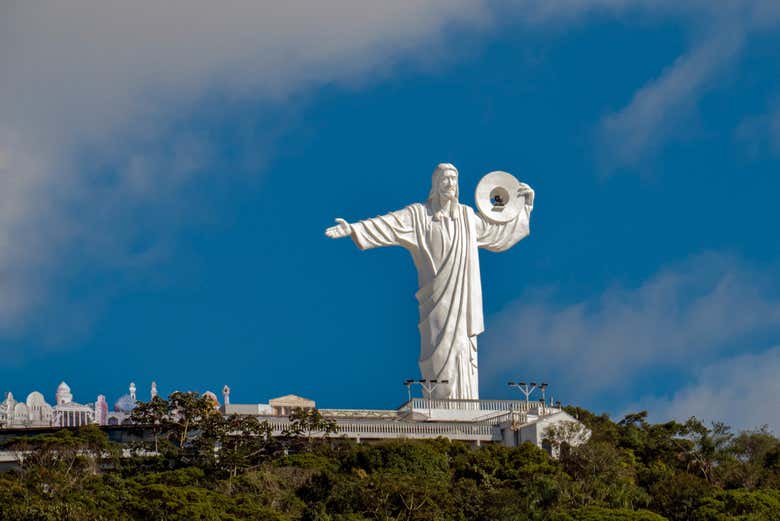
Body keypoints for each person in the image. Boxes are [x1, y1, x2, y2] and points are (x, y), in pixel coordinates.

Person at [326, 163, 534, 400]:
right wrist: (354, 228)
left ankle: (464, 401)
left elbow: (497, 233)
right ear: (435, 184)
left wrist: (523, 207)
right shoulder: (418, 215)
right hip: (436, 299)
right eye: (445, 179)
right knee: (439, 350)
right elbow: (389, 224)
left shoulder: (467, 217)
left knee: (463, 349)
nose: (450, 184)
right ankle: (442, 400)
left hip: (462, 299)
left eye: (454, 180)